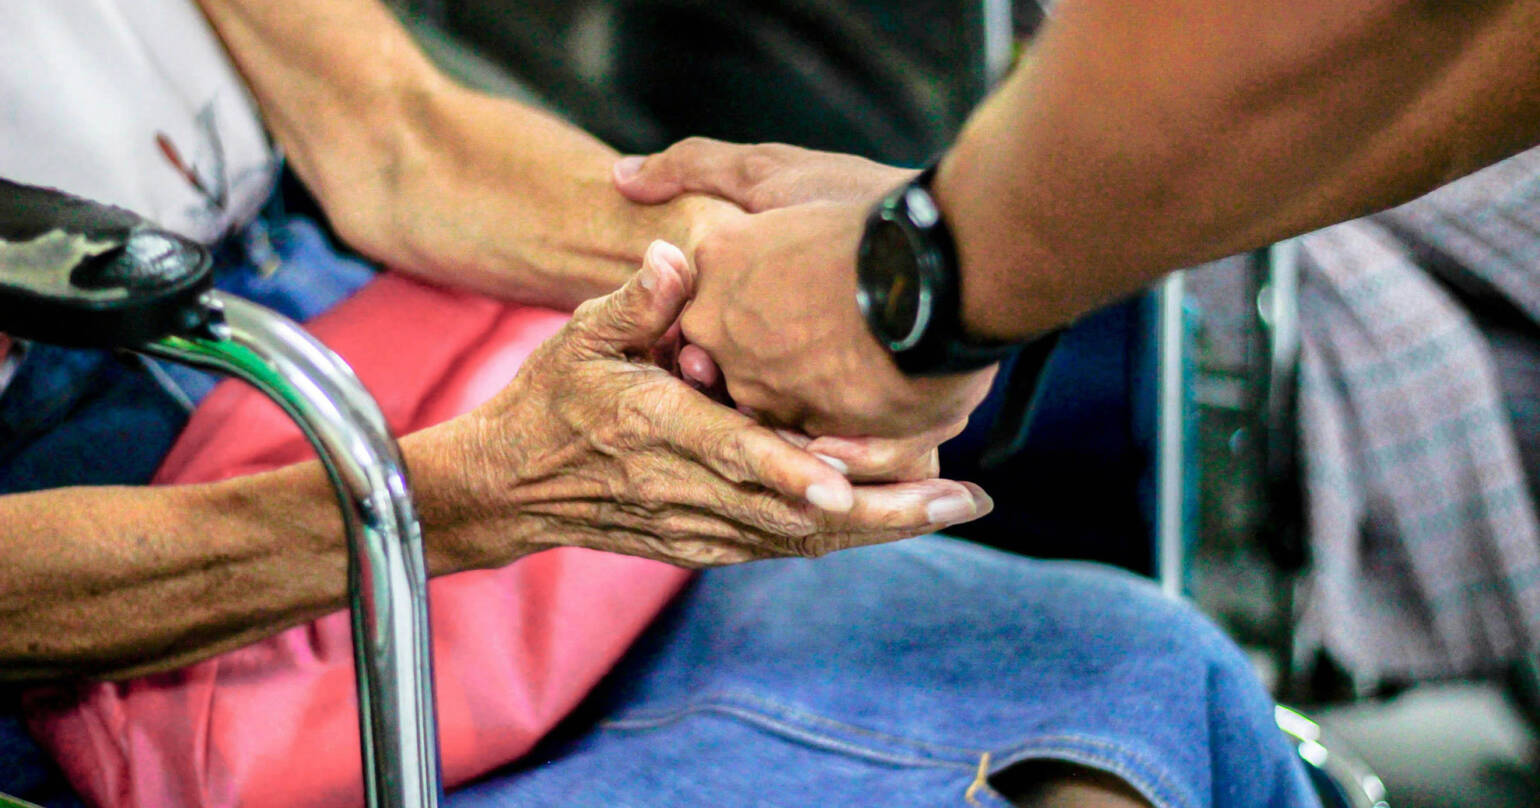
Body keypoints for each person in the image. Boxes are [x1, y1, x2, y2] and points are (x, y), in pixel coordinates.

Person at [0, 2, 1319, 807]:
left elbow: (398, 137)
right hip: (128, 520)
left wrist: (803, 264)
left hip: (332, 307)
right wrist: (473, 494)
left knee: (1145, 674)